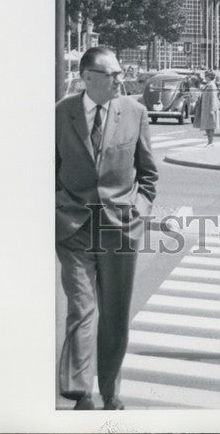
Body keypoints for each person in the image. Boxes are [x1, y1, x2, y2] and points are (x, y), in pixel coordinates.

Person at [55, 46, 158, 411]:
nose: (119, 79)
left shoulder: (135, 112)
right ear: (87, 78)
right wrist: (56, 207)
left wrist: (140, 210)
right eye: (112, 74)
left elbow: (148, 174)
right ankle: (80, 390)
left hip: (120, 227)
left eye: (119, 73)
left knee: (114, 315)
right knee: (81, 306)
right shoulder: (61, 113)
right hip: (74, 226)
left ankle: (110, 392)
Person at [197, 70, 220, 145]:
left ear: (209, 77)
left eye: (206, 76)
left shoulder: (211, 85)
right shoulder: (208, 84)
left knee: (210, 125)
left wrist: (212, 109)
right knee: (207, 125)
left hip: (209, 108)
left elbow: (213, 98)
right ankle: (209, 141)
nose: (205, 77)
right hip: (206, 107)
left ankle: (210, 141)